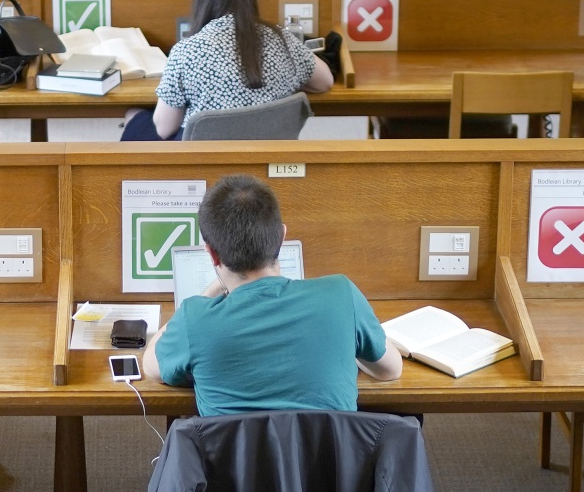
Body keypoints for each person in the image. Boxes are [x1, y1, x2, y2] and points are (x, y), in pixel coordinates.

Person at [145, 176, 404, 415]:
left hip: (234, 467)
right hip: (329, 466)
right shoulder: (341, 294)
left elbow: (151, 366)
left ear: (211, 254)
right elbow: (390, 370)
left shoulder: (195, 318)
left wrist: (213, 288)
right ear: (281, 236)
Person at [122, 0, 334, 140]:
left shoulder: (186, 51)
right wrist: (285, 78)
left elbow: (164, 129)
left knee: (135, 116)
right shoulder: (281, 39)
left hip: (203, 166)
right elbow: (325, 81)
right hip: (268, 160)